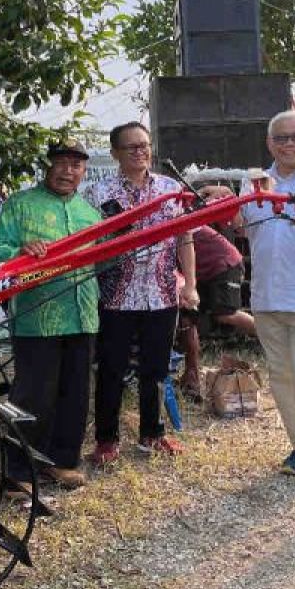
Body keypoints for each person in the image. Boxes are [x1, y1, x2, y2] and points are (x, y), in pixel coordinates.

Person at [200, 110, 295, 487]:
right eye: (281, 138)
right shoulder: (255, 184)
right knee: (282, 378)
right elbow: (242, 226)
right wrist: (220, 201)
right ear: (269, 143)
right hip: (267, 299)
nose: (289, 145)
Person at [0, 140, 102, 490]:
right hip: (38, 319)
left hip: (83, 315)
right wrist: (20, 252)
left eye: (76, 165)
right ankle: (18, 469)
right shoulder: (20, 206)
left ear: (84, 171)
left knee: (75, 393)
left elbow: (105, 257)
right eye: (61, 163)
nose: (69, 171)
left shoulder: (89, 213)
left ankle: (62, 461)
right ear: (47, 166)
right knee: (33, 394)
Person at [83, 122, 198, 465]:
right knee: (111, 369)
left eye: (144, 145)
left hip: (161, 293)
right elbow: (89, 245)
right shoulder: (97, 194)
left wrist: (189, 284)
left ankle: (153, 433)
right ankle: (106, 440)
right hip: (116, 295)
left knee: (157, 368)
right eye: (131, 147)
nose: (139, 152)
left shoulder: (170, 188)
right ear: (115, 153)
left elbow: (184, 238)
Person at [176, 224, 255, 397]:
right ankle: (192, 376)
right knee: (188, 315)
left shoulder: (177, 220)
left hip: (223, 263)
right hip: (201, 272)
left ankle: (272, 337)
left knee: (225, 314)